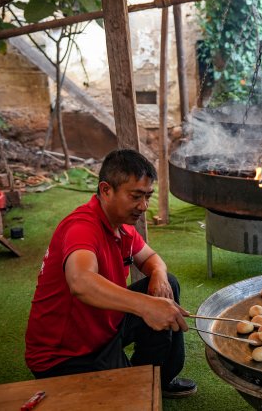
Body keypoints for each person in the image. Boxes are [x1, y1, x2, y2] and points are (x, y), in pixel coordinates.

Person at [25, 149, 196, 398]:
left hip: (104, 328)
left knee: (167, 283)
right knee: (132, 398)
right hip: (65, 356)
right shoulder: (82, 227)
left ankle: (160, 378)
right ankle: (138, 382)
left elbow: (150, 258)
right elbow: (80, 282)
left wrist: (158, 273)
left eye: (147, 196)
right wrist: (146, 305)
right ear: (106, 190)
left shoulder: (121, 225)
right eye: (136, 196)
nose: (144, 206)